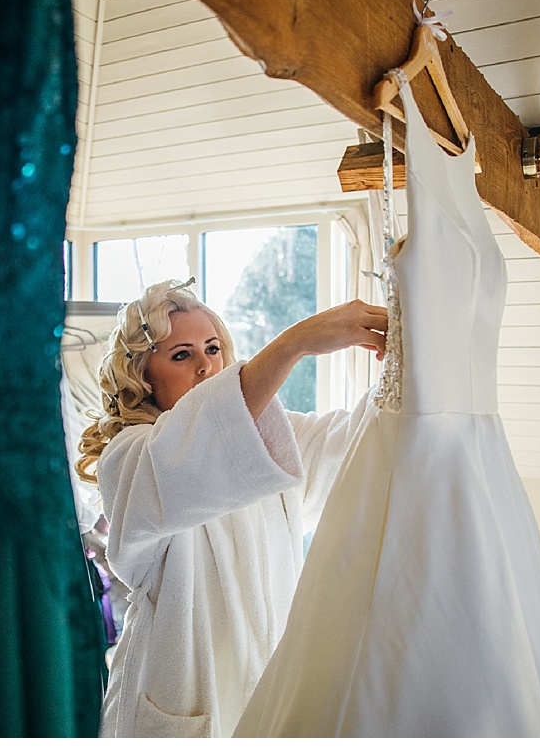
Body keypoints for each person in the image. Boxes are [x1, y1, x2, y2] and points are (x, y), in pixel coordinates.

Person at [74, 278, 389, 737]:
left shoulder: (267, 436)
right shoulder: (129, 459)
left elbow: (354, 444)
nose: (206, 365)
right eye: (182, 355)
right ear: (144, 378)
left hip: (265, 689)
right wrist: (295, 343)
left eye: (213, 348)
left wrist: (407, 359)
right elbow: (194, 450)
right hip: (179, 703)